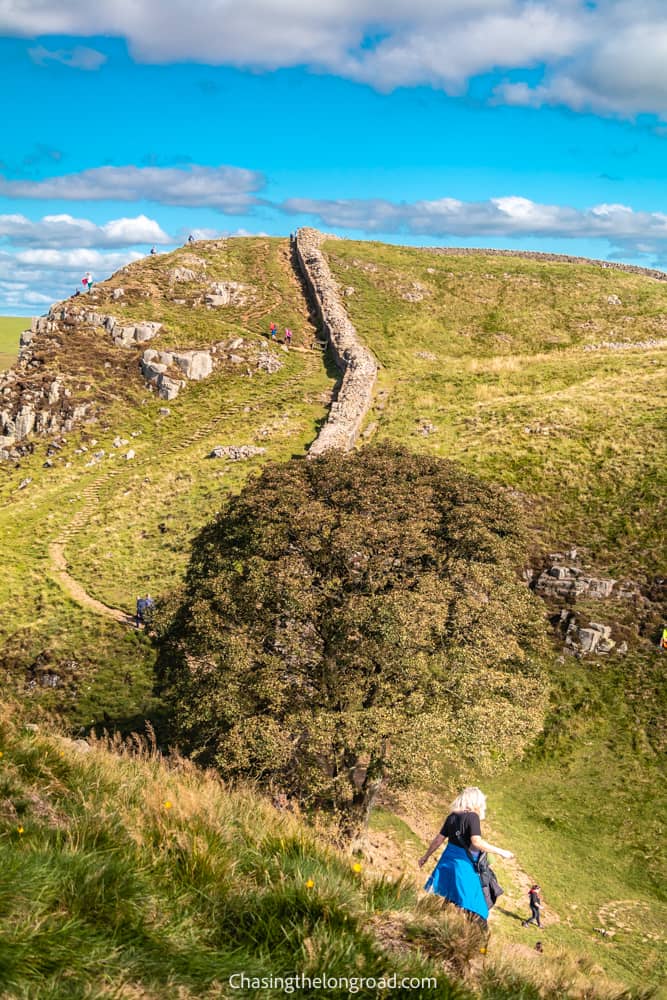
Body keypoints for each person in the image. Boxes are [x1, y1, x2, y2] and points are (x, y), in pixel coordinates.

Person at [418, 787, 514, 928]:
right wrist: (501, 851)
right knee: (476, 907)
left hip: (446, 863)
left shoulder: (451, 817)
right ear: (476, 801)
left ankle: (433, 926)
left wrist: (425, 856)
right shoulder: (472, 817)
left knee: (445, 899)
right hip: (462, 866)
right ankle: (476, 943)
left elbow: (438, 840)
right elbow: (476, 841)